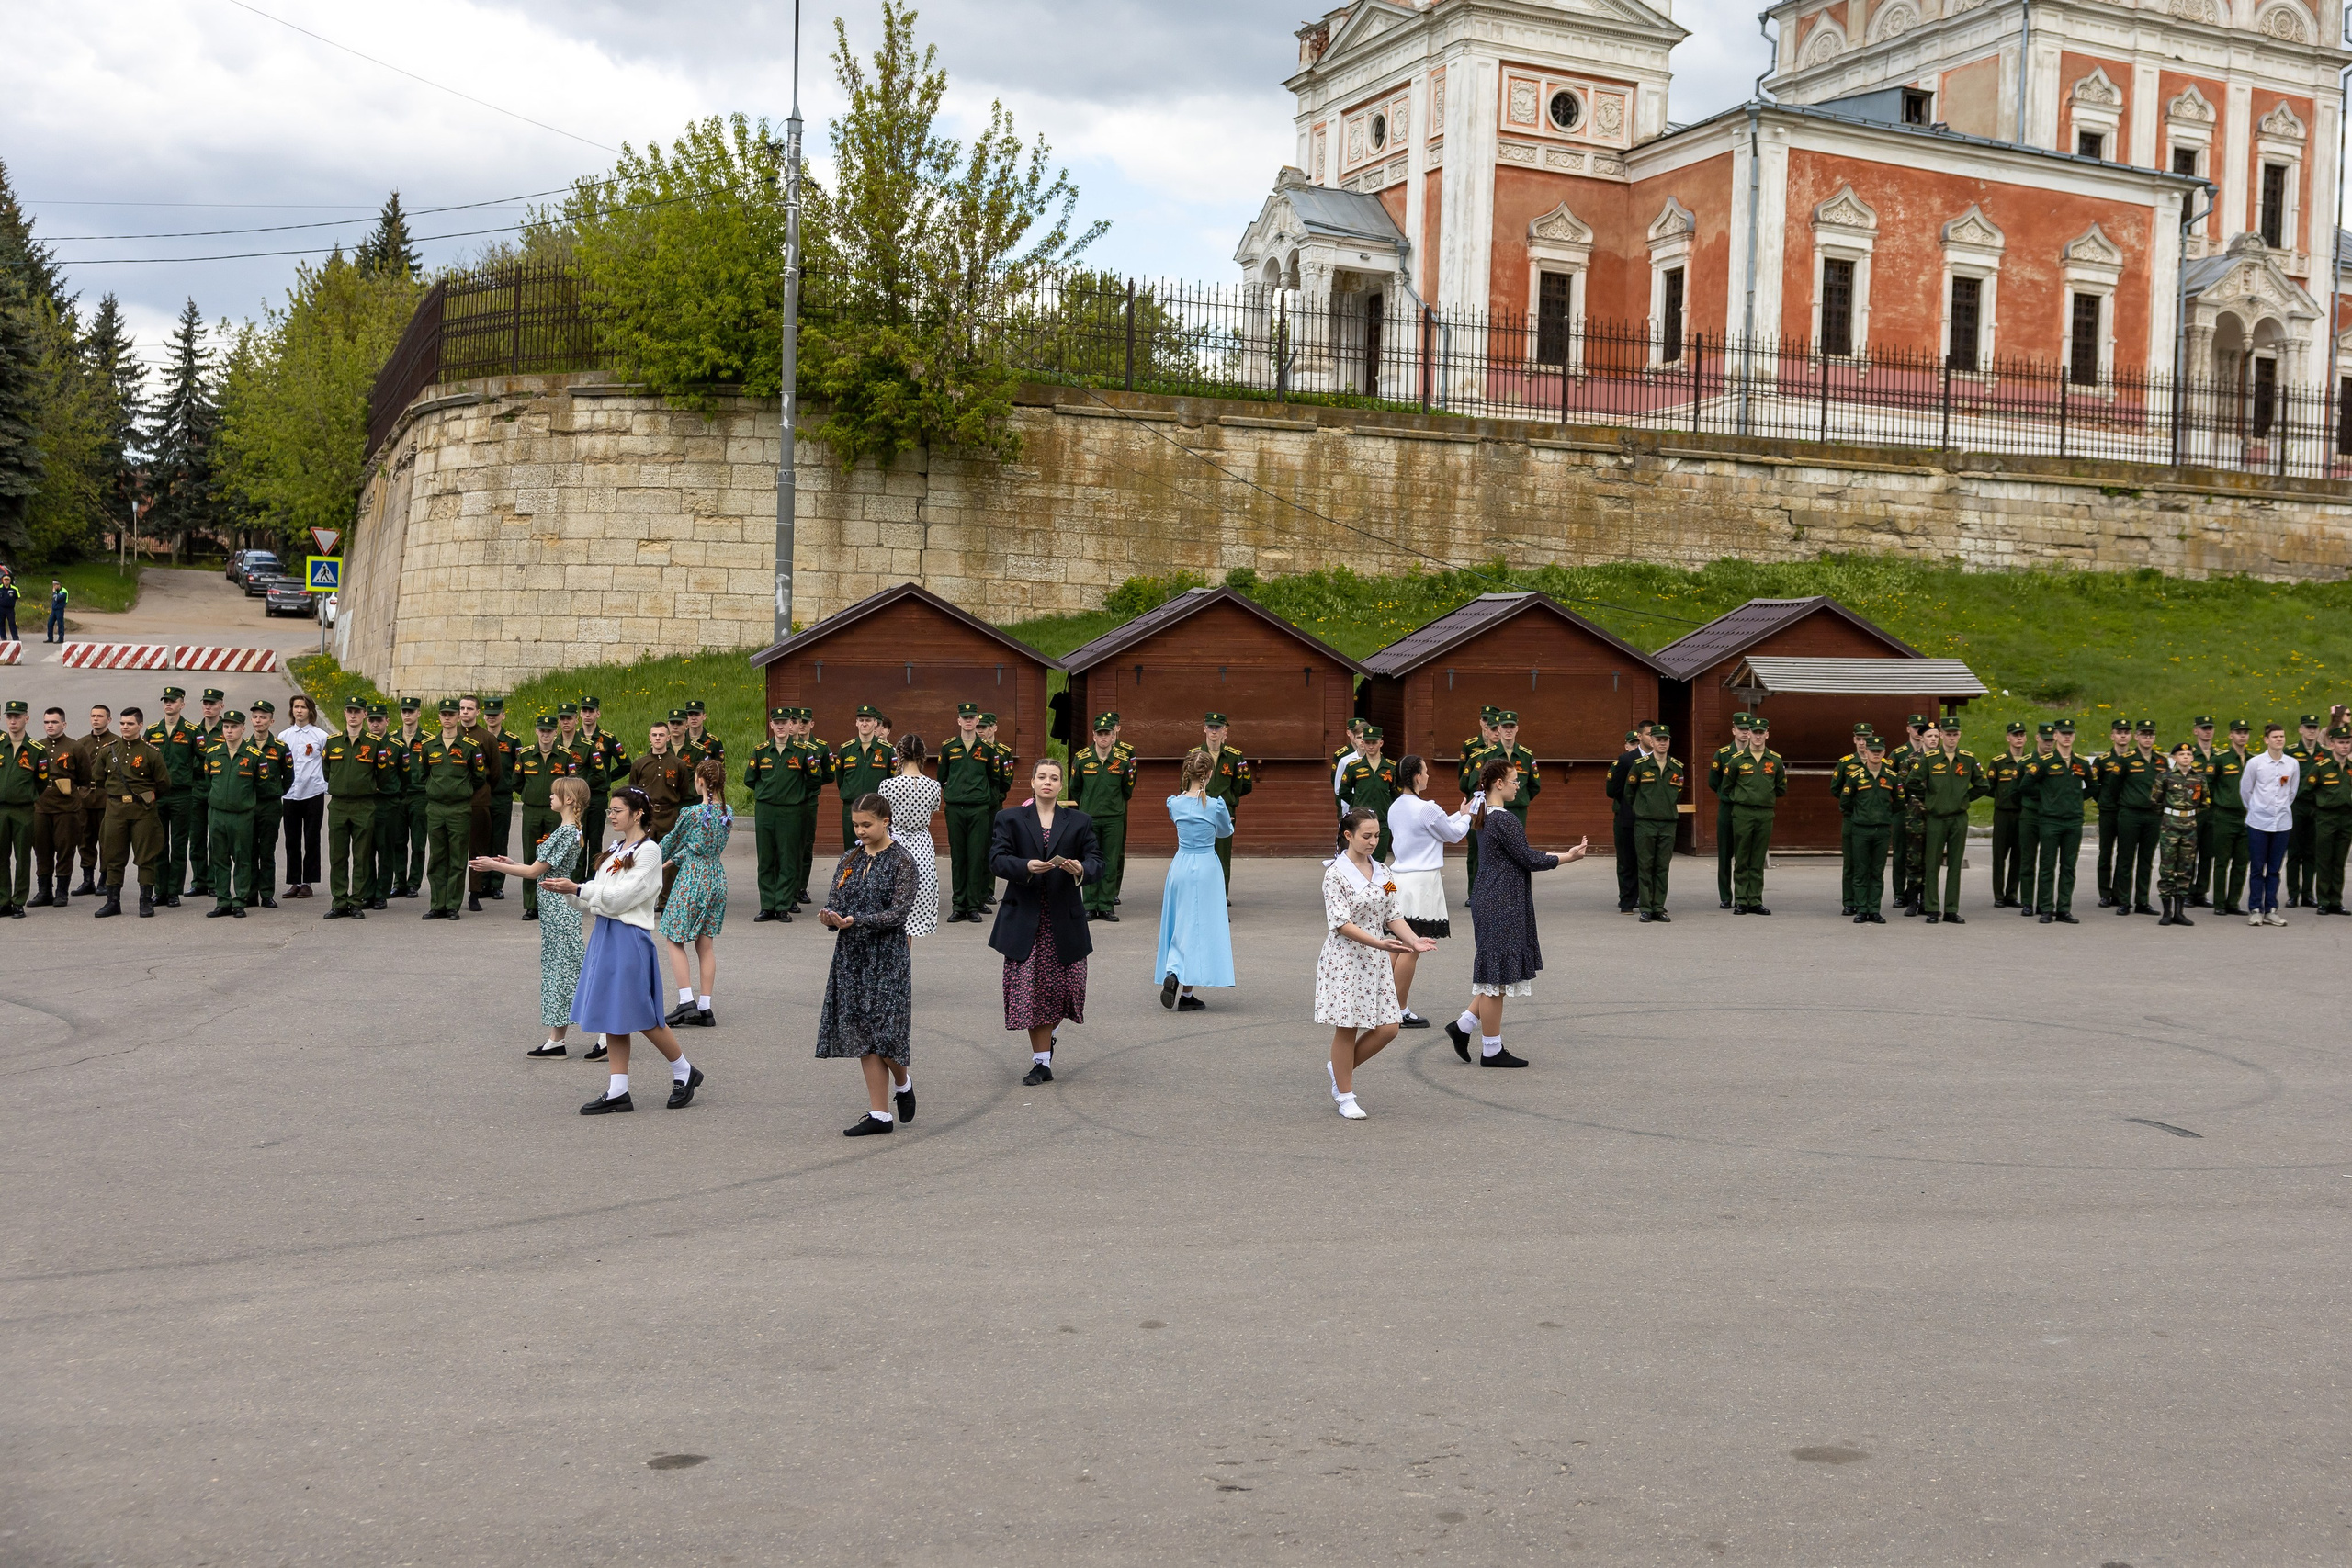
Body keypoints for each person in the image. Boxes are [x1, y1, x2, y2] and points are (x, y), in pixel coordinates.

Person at [551, 788, 704, 1115]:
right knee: (613, 1014)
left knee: (643, 1014)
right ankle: (618, 1090)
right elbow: (597, 897)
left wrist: (579, 888)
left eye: (618, 810)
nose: (611, 815)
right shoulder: (615, 849)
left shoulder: (649, 852)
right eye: (610, 809)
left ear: (637, 814)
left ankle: (684, 1070)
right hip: (606, 934)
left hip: (629, 936)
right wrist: (567, 890)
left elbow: (621, 898)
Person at [1448, 760, 1580, 1068]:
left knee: (1496, 973)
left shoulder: (1483, 814)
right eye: (1513, 779)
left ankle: (1463, 1026)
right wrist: (1568, 857)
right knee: (1496, 979)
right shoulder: (1504, 820)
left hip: (1490, 895)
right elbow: (1528, 858)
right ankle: (1491, 1050)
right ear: (1498, 784)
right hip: (1500, 899)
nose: (1517, 784)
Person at [989, 758, 1102, 1086]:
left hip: (1064, 918)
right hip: (1024, 918)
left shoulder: (1079, 821)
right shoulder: (1009, 818)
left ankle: (1047, 1038)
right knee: (1030, 990)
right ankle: (1041, 1062)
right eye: (1042, 777)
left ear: (1061, 785)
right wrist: (1025, 866)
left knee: (1067, 988)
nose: (1048, 782)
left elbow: (1098, 860)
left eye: (1054, 778)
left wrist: (1082, 869)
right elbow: (997, 859)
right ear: (1033, 782)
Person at [1317, 807, 1436, 1119]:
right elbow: (1341, 923)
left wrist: (1412, 940)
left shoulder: (1385, 872)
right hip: (1346, 957)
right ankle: (1345, 1096)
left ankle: (1339, 1068)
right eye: (1366, 836)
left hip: (1376, 957)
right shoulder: (1335, 874)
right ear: (1348, 836)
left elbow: (1393, 913)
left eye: (1377, 836)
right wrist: (1379, 942)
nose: (1372, 841)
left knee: (1389, 1027)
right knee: (1348, 1026)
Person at [815, 792, 921, 1135]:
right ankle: (880, 1114)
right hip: (852, 957)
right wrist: (830, 918)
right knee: (863, 1034)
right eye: (856, 824)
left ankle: (902, 1082)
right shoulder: (849, 859)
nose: (859, 830)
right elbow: (836, 900)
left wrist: (855, 920)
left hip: (887, 956)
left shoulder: (903, 860)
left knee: (886, 1033)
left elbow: (898, 913)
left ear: (885, 821)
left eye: (867, 824)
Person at [470, 776, 592, 1058]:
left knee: (570, 973)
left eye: (555, 794)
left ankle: (606, 1035)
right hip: (553, 911)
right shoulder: (569, 830)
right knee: (556, 972)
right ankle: (556, 1040)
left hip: (560, 911)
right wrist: (512, 863)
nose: (551, 798)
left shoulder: (566, 832)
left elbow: (535, 873)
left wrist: (492, 866)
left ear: (569, 800)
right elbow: (542, 868)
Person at [1384, 753, 1476, 1026]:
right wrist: (1467, 817)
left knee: (1396, 944)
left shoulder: (1396, 807)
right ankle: (1398, 1010)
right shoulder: (1427, 807)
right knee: (1412, 948)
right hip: (1422, 882)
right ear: (1415, 777)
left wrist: (1458, 814)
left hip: (1398, 879)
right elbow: (1452, 834)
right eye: (1424, 772)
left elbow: (1432, 827)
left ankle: (1382, 1005)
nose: (1427, 776)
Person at [1157, 748, 1236, 1012]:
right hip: (1206, 866)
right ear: (1209, 774)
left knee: (1181, 921)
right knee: (1201, 926)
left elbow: (1178, 815)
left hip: (1180, 863)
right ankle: (1183, 983)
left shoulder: (1175, 803)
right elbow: (1225, 831)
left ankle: (1176, 972)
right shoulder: (1214, 806)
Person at [659, 759, 734, 1030]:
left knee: (673, 937)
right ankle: (705, 1007)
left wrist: (650, 858)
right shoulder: (728, 812)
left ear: (700, 781)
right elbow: (698, 846)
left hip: (693, 880)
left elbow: (673, 839)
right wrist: (670, 862)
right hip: (716, 877)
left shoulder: (691, 813)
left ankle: (685, 1000)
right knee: (705, 944)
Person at [1907, 717, 1987, 924]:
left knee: (1954, 865)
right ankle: (1933, 909)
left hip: (1958, 818)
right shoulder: (1931, 758)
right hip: (1936, 818)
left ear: (1959, 735)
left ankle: (1951, 909)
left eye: (1955, 734)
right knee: (1932, 864)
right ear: (1941, 735)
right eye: (1948, 734)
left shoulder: (1968, 759)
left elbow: (1983, 784)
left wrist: (1965, 798)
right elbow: (1912, 782)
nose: (1951, 738)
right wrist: (1930, 799)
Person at [92, 706, 167, 918]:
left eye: (130, 723)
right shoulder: (109, 750)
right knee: (113, 857)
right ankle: (112, 901)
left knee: (146, 857)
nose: (125, 727)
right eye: (123, 723)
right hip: (115, 811)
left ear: (140, 726)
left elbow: (163, 784)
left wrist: (144, 798)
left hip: (143, 812)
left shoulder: (151, 753)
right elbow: (98, 779)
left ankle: (145, 901)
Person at [416, 698, 486, 920]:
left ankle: (453, 905)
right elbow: (422, 774)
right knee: (437, 857)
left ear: (458, 717)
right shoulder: (428, 746)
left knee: (457, 858)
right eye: (443, 714)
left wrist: (459, 791)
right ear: (439, 717)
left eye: (451, 714)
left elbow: (479, 777)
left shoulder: (470, 747)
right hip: (435, 808)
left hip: (459, 809)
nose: (447, 718)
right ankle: (437, 904)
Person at [2024, 720, 2096, 923]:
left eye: (2070, 734)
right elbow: (2026, 785)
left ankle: (2064, 908)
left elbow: (2093, 786)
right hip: (2050, 821)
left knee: (2068, 866)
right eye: (2063, 733)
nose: (2066, 737)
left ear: (2073, 737)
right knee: (2047, 866)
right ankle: (2046, 908)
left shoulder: (2081, 763)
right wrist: (2049, 797)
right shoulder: (2045, 762)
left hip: (2073, 821)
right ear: (2055, 736)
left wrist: (2074, 798)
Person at [320, 699, 385, 919]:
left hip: (363, 805)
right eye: (349, 711)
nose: (353, 715)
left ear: (365, 715)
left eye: (357, 712)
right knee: (338, 856)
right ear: (345, 713)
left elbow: (382, 773)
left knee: (361, 856)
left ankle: (357, 901)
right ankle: (339, 901)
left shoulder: (374, 743)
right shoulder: (333, 742)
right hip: (338, 805)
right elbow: (327, 771)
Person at [513, 713, 580, 923]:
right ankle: (531, 904)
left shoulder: (565, 755)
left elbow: (572, 782)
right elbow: (516, 781)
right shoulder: (525, 755)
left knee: (554, 859)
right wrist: (528, 795)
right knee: (531, 856)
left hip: (555, 813)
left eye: (549, 731)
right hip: (532, 810)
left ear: (555, 732)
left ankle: (554, 899)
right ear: (536, 731)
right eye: (542, 730)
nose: (545, 735)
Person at [195, 710, 260, 918]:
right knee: (219, 859)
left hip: (241, 815)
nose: (229, 731)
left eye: (233, 727)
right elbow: (208, 781)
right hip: (217, 814)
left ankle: (240, 901)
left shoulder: (254, 755)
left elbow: (262, 785)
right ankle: (223, 901)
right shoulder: (213, 753)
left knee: (242, 858)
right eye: (226, 727)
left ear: (243, 728)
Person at [878, 733, 943, 940]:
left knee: (891, 902)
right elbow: (933, 810)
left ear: (899, 754)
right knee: (915, 904)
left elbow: (883, 816)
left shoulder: (887, 785)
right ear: (923, 755)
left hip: (894, 844)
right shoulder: (934, 786)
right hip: (922, 847)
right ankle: (904, 966)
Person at [1722, 713, 1787, 915]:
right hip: (1742, 813)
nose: (1758, 737)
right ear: (1748, 734)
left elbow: (1781, 788)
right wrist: (1745, 798)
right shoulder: (1737, 760)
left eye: (1761, 733)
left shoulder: (1775, 760)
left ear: (1767, 734)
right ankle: (1741, 900)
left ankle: (1755, 900)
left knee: (1758, 858)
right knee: (1742, 857)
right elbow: (1726, 787)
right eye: (1754, 732)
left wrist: (1762, 798)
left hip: (1765, 814)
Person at [1073, 713, 1136, 921]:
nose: (1103, 737)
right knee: (1090, 860)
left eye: (1107, 734)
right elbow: (1076, 788)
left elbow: (1127, 789)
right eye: (1099, 733)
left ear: (1113, 735)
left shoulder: (1123, 760)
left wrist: (1114, 804)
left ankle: (1106, 905)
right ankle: (1090, 905)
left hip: (1113, 818)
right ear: (1093, 735)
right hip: (1089, 818)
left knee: (1110, 861)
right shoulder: (1081, 758)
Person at [937, 703, 997, 923]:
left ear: (977, 720)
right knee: (958, 857)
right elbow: (942, 776)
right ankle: (958, 905)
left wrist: (984, 799)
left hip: (979, 809)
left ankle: (973, 905)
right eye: (965, 717)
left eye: (972, 717)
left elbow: (994, 779)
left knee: (976, 857)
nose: (969, 721)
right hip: (955, 809)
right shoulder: (949, 747)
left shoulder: (988, 749)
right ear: (959, 721)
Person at [146, 686, 202, 907]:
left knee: (179, 844)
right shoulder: (152, 731)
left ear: (182, 704)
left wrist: (189, 779)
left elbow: (203, 759)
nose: (168, 704)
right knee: (159, 845)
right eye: (166, 701)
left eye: (173, 701)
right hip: (158, 796)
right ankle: (160, 890)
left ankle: (173, 892)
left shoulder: (191, 730)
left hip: (182, 795)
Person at [1834, 729, 1898, 922]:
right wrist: (1861, 811)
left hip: (1881, 828)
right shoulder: (1852, 771)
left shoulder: (1891, 775)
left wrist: (1883, 813)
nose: (1875, 753)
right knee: (1857, 868)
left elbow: (1899, 802)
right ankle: (1856, 905)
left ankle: (1874, 909)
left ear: (1884, 752)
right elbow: (1843, 797)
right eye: (1872, 750)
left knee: (1876, 871)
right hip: (1859, 825)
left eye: (1879, 750)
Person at [2102, 718, 2165, 917]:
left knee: (2146, 860)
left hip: (2153, 816)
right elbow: (2113, 787)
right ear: (2136, 737)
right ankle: (2123, 901)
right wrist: (2127, 802)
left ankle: (2142, 901)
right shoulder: (2125, 759)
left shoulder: (2161, 761)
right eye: (2144, 734)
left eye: (2151, 734)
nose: (2148, 737)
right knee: (2125, 858)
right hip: (2130, 814)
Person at [467, 698, 522, 911]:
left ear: (503, 715)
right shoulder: (476, 737)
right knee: (481, 842)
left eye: (495, 714)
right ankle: (480, 884)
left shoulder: (511, 740)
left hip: (500, 795)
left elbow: (517, 767)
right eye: (488, 714)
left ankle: (496, 883)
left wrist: (507, 786)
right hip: (482, 795)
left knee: (499, 840)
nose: (492, 717)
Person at [745, 706, 799, 922]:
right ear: (771, 725)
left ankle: (783, 906)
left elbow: (814, 780)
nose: (780, 726)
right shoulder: (760, 751)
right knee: (766, 858)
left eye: (784, 722)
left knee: (787, 858)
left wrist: (796, 795)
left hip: (790, 809)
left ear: (790, 725)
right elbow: (750, 778)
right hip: (766, 809)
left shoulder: (802, 752)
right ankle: (767, 905)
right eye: (776, 722)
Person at [2243, 723, 2299, 927]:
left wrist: (2280, 810)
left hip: (2282, 823)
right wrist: (2258, 809)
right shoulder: (2255, 763)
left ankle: (2271, 909)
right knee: (2258, 867)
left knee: (2275, 869)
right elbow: (2246, 791)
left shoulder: (2292, 764)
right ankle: (2256, 909)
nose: (2279, 740)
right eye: (2275, 737)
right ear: (2266, 740)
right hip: (2258, 822)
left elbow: (2292, 792)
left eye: (2282, 736)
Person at [1626, 723, 1682, 922]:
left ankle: (1659, 907)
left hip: (1668, 823)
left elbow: (1677, 793)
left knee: (1662, 867)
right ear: (1652, 741)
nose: (1662, 743)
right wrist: (1642, 809)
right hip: (1645, 823)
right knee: (1645, 865)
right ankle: (1646, 908)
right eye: (1658, 739)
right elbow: (1629, 792)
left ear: (1669, 742)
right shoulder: (1641, 765)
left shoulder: (1676, 767)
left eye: (1665, 740)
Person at [278, 694, 330, 899]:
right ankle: (294, 881)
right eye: (296, 707)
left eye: (303, 707)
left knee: (311, 838)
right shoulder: (284, 736)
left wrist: (324, 785)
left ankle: (308, 882)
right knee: (291, 840)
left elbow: (327, 764)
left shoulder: (320, 736)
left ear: (311, 711)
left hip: (313, 793)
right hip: (290, 794)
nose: (299, 710)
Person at [29, 705, 80, 909]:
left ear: (64, 724)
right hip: (41, 806)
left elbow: (85, 777)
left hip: (66, 807)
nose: (50, 725)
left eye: (54, 722)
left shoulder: (75, 747)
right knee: (41, 849)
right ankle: (44, 891)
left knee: (65, 849)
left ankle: (61, 891)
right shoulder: (36, 747)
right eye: (47, 722)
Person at [2153, 740, 2205, 927]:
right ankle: (2166, 912)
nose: (2185, 757)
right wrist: (2171, 816)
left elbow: (2204, 802)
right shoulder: (2165, 777)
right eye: (2181, 755)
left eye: (2189, 754)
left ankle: (2179, 912)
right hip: (2170, 825)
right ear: (2174, 758)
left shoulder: (2199, 778)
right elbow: (2156, 800)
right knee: (2167, 868)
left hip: (2189, 825)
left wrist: (2188, 815)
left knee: (2185, 868)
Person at [1199, 713, 1253, 894]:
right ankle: (1201, 894)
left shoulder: (1234, 756)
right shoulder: (1195, 755)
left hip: (1224, 812)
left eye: (1218, 727)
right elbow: (1185, 783)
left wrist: (1230, 799)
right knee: (1200, 856)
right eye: (1211, 727)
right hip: (1200, 810)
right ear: (1204, 728)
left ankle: (1220, 896)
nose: (1214, 731)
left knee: (1222, 857)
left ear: (1225, 731)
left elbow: (1245, 785)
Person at [2204, 720, 2253, 917]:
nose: (2242, 736)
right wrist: (2216, 803)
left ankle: (2233, 901)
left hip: (2247, 816)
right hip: (2224, 815)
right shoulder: (2220, 759)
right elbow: (2207, 784)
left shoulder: (2254, 760)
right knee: (2222, 861)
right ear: (2230, 735)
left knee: (2241, 862)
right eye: (2238, 732)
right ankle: (2219, 903)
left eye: (2245, 732)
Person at [244, 700, 289, 911]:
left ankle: (267, 894)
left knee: (267, 851)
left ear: (271, 721)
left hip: (270, 806)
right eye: (255, 717)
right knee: (249, 851)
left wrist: (276, 792)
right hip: (249, 805)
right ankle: (250, 894)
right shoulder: (244, 746)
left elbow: (288, 776)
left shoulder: (280, 747)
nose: (258, 721)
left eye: (263, 717)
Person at [1984, 721, 2032, 908]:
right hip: (2003, 814)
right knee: (1999, 855)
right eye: (2015, 735)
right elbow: (1989, 787)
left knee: (2019, 856)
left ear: (2026, 738)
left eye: (2022, 734)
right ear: (2008, 738)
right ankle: (1998, 894)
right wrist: (2001, 798)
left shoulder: (2031, 761)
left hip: (2024, 813)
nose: (2019, 738)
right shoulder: (1998, 762)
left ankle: (2012, 894)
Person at [1337, 725, 1401, 863]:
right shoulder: (1354, 767)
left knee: (1378, 860)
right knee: (1358, 858)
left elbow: (1396, 792)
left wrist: (1387, 806)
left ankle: (1378, 884)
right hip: (1360, 820)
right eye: (1367, 742)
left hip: (1381, 820)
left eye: (1374, 742)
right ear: (1362, 743)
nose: (1371, 746)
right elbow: (1343, 791)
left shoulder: (1391, 766)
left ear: (1381, 743)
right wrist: (1357, 803)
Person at [833, 705, 892, 852]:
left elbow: (891, 779)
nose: (864, 723)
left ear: (875, 723)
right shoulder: (846, 749)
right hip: (851, 807)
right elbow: (841, 780)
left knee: (877, 851)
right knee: (852, 851)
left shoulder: (886, 750)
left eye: (868, 720)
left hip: (875, 809)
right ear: (856, 723)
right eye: (861, 720)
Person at [2307, 724, 2352, 916]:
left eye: (2348, 743)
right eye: (2341, 743)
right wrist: (2318, 811)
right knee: (2324, 860)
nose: (2345, 746)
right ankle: (2323, 900)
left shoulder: (2350, 768)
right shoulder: (2321, 768)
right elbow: (2306, 792)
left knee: (2339, 861)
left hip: (2346, 818)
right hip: (2326, 817)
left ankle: (2336, 900)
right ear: (2332, 744)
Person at [0, 700, 40, 917]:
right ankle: (2, 899)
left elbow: (41, 781)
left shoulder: (35, 750)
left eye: (17, 717)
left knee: (22, 857)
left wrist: (27, 796)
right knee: (0, 856)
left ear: (26, 718)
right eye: (9, 717)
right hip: (0, 810)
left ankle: (18, 901)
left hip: (23, 810)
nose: (13, 721)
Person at [187, 687, 226, 901]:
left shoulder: (227, 729)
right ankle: (199, 881)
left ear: (222, 706)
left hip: (217, 790)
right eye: (206, 703)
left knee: (217, 839)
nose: (208, 707)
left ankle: (214, 882)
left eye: (213, 703)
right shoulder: (194, 731)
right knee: (197, 838)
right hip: (196, 789)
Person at [2091, 716, 2133, 907]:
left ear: (2131, 736)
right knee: (2105, 853)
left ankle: (2120, 893)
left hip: (2128, 811)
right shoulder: (2103, 760)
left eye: (2126, 732)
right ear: (2112, 736)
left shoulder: (2134, 758)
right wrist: (2103, 800)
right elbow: (2093, 784)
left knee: (2125, 854)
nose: (2122, 736)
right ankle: (2105, 893)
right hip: (2109, 812)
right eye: (2119, 732)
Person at [390, 696, 429, 898]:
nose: (407, 715)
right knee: (398, 840)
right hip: (399, 795)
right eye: (404, 711)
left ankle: (414, 882)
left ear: (418, 713)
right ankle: (399, 881)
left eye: (411, 711)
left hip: (420, 795)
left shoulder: (428, 740)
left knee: (418, 842)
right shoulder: (392, 739)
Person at [1708, 715, 1747, 910]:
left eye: (1748, 729)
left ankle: (1745, 895)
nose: (1745, 732)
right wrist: (1725, 795)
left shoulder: (1756, 754)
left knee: (1745, 855)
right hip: (1727, 808)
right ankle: (1725, 896)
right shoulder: (1723, 754)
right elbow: (1713, 781)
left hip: (1746, 809)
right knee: (1724, 855)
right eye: (1741, 729)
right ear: (1734, 730)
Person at [1604, 728, 1645, 914]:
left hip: (1644, 816)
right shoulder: (1619, 763)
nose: (1635, 747)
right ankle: (1627, 896)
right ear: (1626, 745)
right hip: (1623, 814)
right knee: (1626, 859)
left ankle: (1641, 896)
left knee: (1642, 858)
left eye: (1638, 743)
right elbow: (1612, 790)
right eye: (1633, 744)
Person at [74, 704, 110, 897]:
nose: (96, 719)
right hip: (85, 798)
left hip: (106, 798)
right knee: (85, 840)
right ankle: (88, 879)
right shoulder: (81, 743)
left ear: (108, 720)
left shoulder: (116, 742)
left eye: (100, 716)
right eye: (93, 716)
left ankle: (105, 879)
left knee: (107, 841)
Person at [2186, 716, 2220, 907]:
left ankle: (2201, 892)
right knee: (2190, 853)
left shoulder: (2219, 756)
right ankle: (2188, 891)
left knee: (2208, 854)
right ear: (2195, 731)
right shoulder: (2188, 755)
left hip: (2213, 811)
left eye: (2210, 728)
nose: (2207, 731)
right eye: (2203, 728)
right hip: (2194, 811)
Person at [45, 577, 67, 643]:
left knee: (60, 624)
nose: (54, 587)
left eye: (55, 585)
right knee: (50, 623)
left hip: (59, 609)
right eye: (53, 585)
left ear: (58, 585)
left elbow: (57, 598)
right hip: (54, 609)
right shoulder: (57, 591)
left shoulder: (63, 591)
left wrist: (54, 592)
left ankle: (61, 638)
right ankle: (50, 638)